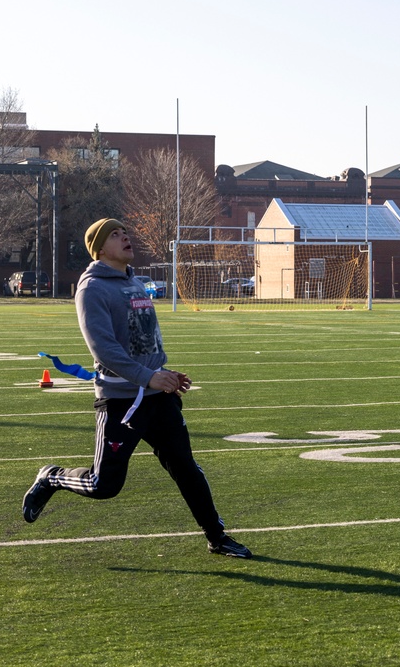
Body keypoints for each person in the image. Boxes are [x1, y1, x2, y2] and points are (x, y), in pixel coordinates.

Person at [21, 218, 252, 558]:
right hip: (121, 402)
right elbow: (104, 349)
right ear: (99, 248)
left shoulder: (135, 284)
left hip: (159, 396)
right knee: (104, 486)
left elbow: (143, 341)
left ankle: (217, 537)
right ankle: (51, 477)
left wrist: (164, 372)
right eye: (114, 234)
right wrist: (148, 377)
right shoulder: (92, 289)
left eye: (124, 231)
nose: (124, 236)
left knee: (185, 468)